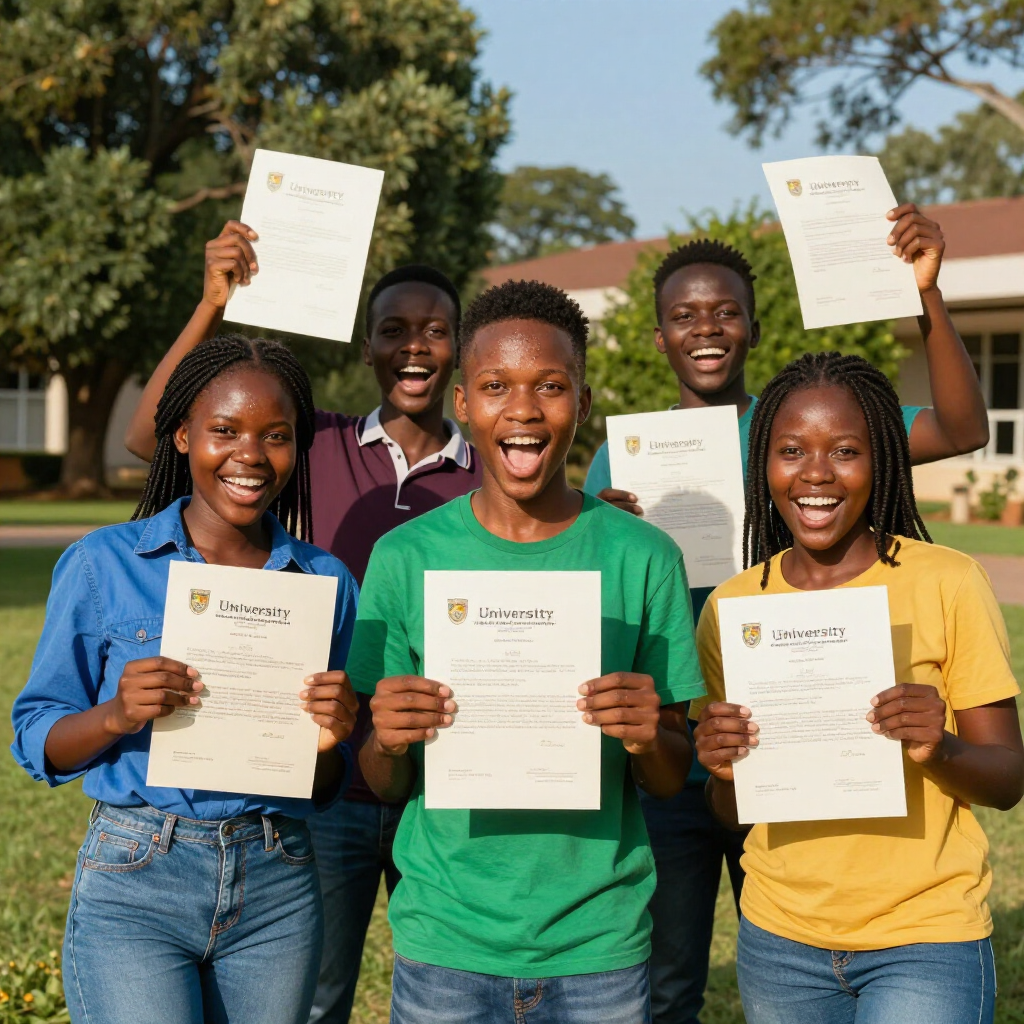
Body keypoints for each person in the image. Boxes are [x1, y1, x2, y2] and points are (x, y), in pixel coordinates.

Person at [582, 203, 992, 1024]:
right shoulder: (617, 459)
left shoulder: (811, 419)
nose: (706, 328)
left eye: (726, 312)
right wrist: (610, 529)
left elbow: (961, 426)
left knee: (793, 928)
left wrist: (927, 296)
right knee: (669, 980)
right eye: (684, 316)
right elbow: (596, 610)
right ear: (658, 336)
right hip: (691, 752)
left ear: (755, 329)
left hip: (821, 744)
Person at [123, 222, 482, 1023]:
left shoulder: (494, 473)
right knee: (311, 1000)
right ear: (365, 347)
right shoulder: (308, 442)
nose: (414, 347)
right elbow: (147, 437)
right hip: (315, 776)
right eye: (394, 330)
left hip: (440, 774)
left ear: (459, 348)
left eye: (434, 331)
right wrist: (211, 307)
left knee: (445, 991)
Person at [347, 279, 705, 1024]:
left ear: (582, 397)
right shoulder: (404, 557)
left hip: (597, 943)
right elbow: (381, 781)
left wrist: (647, 735)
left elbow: (671, 778)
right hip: (448, 938)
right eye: (495, 386)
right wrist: (387, 735)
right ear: (464, 402)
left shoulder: (644, 556)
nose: (523, 409)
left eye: (550, 386)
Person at [12, 335, 361, 1024]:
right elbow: (36, 739)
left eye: (276, 436)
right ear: (181, 435)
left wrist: (333, 741)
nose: (250, 455)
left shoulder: (324, 583)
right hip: (138, 871)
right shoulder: (102, 563)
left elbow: (325, 789)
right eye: (224, 431)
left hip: (277, 877)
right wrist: (116, 715)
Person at [692, 350, 1024, 1024]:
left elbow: (1009, 779)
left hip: (925, 936)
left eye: (845, 450)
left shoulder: (947, 581)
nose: (816, 473)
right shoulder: (731, 608)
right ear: (764, 463)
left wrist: (942, 748)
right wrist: (723, 773)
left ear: (882, 463)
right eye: (791, 450)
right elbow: (731, 814)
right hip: (779, 934)